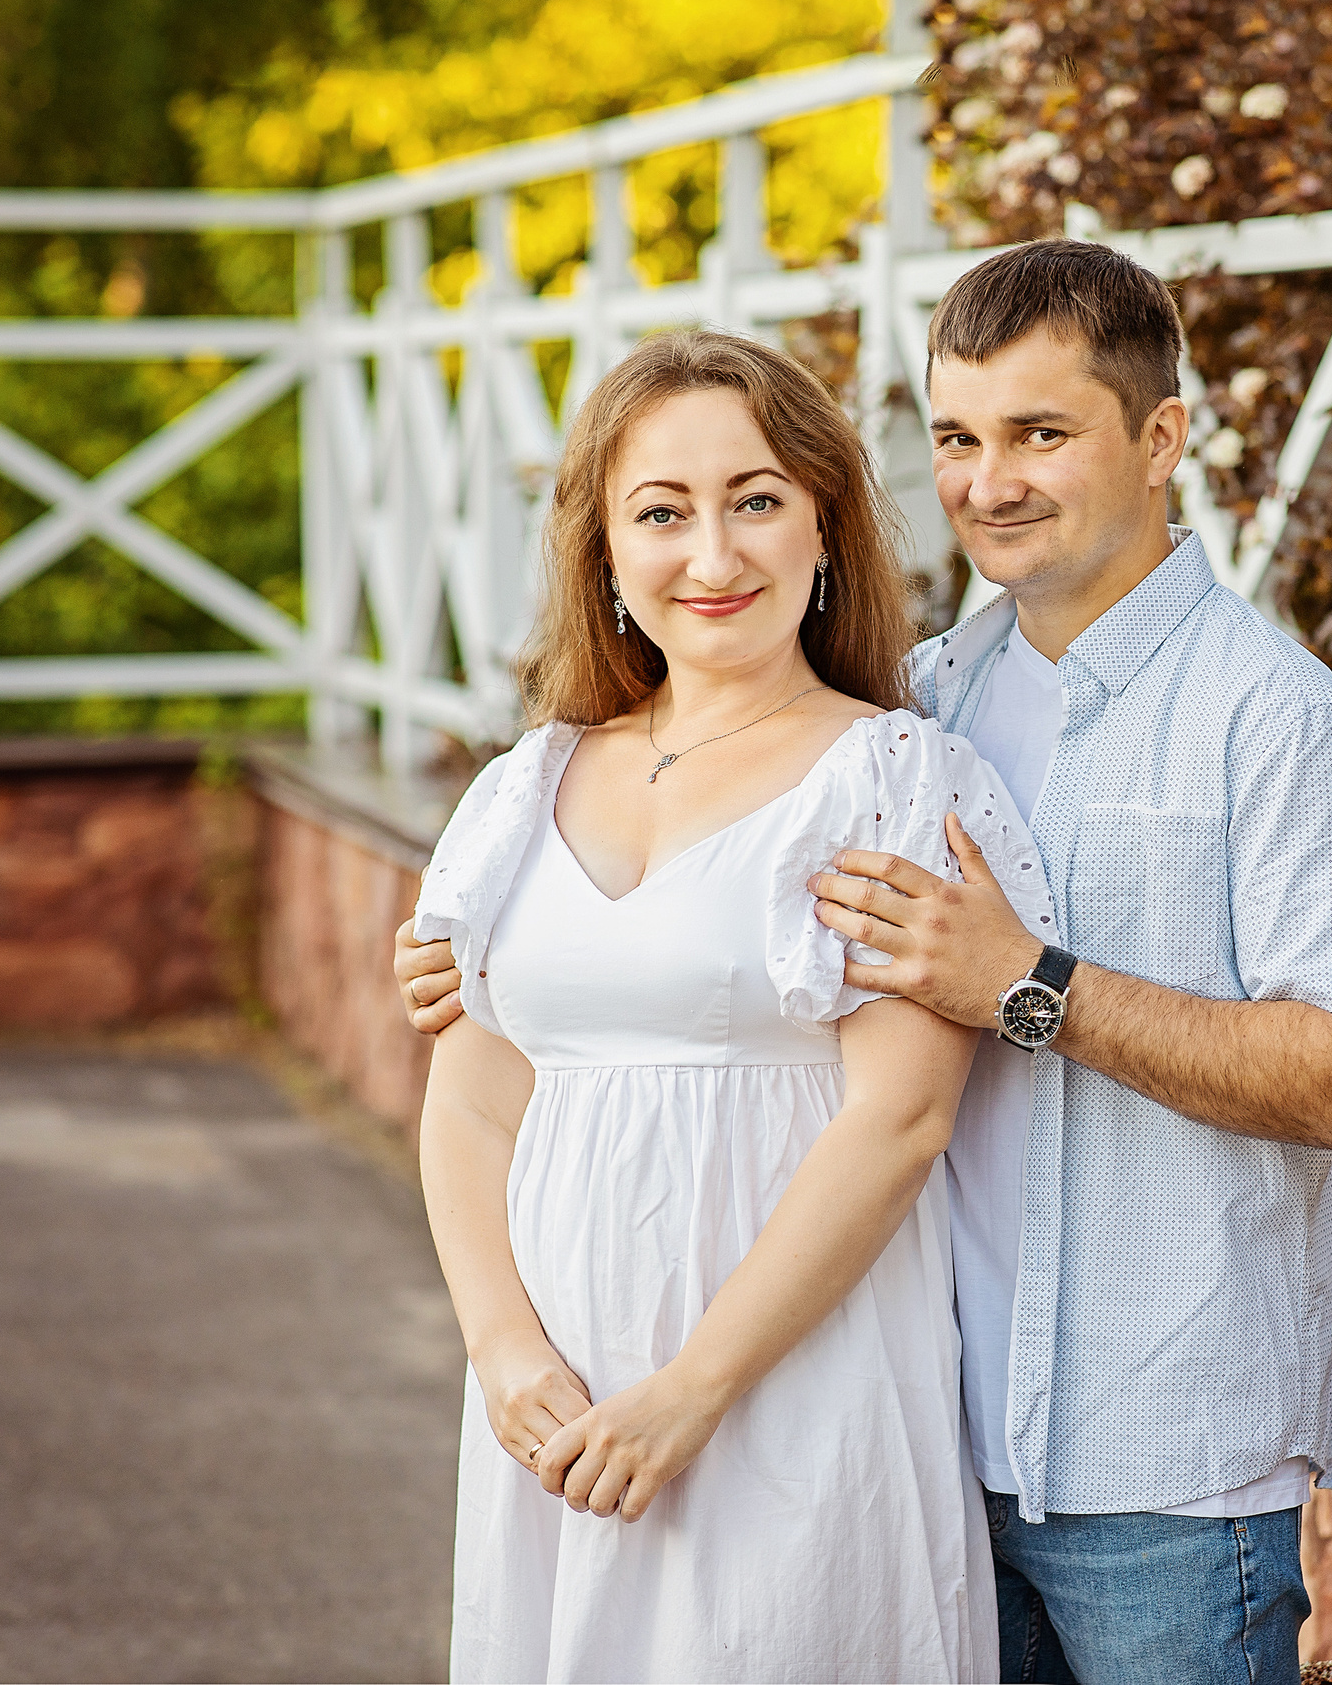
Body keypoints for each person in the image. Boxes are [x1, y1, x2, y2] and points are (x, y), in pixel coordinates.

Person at [401, 242, 1332, 1684]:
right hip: (933, 1414)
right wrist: (488, 965)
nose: (990, 481)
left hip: (1157, 1459)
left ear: (1163, 438)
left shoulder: (1273, 721)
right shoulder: (931, 695)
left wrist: (1032, 982)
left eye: (1042, 434)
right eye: (958, 437)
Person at [409, 327, 1050, 1682]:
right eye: (663, 512)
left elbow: (898, 1122)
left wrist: (690, 1393)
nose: (714, 557)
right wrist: (502, 1347)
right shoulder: (524, 790)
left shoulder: (890, 785)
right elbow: (471, 1095)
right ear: (602, 551)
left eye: (756, 500)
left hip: (786, 1403)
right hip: (555, 1413)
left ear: (823, 526)